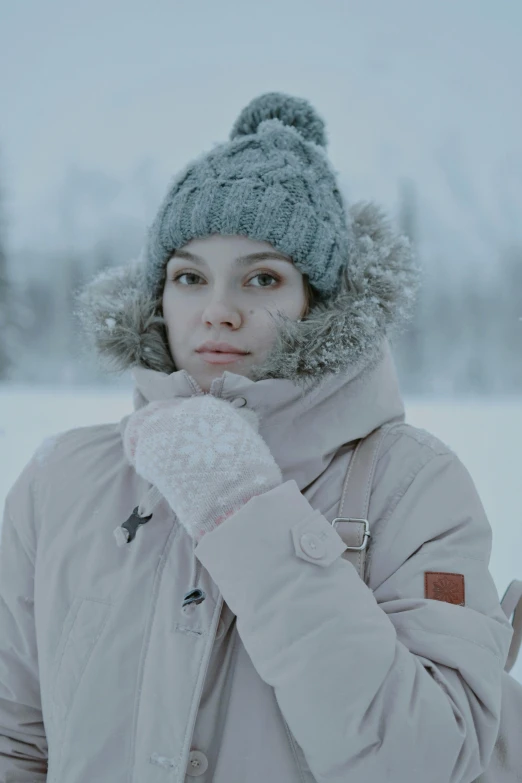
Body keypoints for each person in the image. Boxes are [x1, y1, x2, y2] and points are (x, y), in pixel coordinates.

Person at [0, 92, 513, 783]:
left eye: (262, 277)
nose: (218, 311)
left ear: (318, 301)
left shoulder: (413, 483)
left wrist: (243, 507)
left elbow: (431, 761)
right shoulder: (62, 479)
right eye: (189, 276)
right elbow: (16, 743)